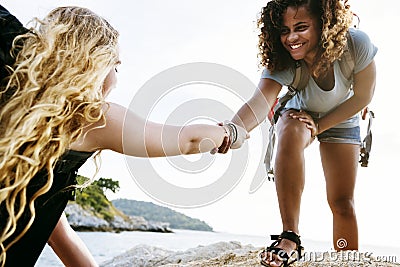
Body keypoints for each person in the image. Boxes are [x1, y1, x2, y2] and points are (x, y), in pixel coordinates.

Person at [0, 5, 249, 266]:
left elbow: (56, 232)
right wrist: (232, 132)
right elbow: (190, 140)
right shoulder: (90, 119)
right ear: (92, 62)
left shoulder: (15, 110)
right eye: (114, 66)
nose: (116, 80)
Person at [224, 0, 377, 266]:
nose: (291, 38)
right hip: (300, 113)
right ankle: (290, 237)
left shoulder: (356, 44)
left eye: (301, 27)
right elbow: (259, 102)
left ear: (324, 24)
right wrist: (231, 130)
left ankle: (347, 259)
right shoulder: (282, 63)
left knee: (342, 202)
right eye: (284, 30)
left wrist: (320, 126)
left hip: (343, 115)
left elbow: (364, 96)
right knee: (291, 127)